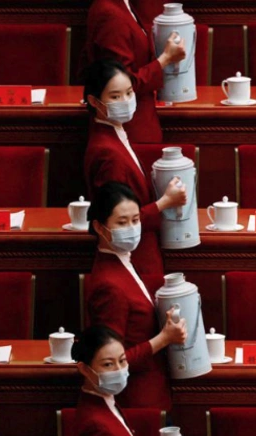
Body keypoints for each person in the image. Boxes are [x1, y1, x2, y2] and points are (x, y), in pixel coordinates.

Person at [85, 181, 186, 410]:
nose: (131, 228)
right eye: (122, 222)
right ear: (100, 227)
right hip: (137, 399)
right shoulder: (109, 286)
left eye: (136, 220)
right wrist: (164, 338)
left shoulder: (123, 262)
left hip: (152, 389)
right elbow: (110, 363)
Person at [83, 59, 186, 276]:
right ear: (95, 101)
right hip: (137, 257)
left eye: (129, 93)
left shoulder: (114, 135)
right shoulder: (109, 155)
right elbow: (118, 216)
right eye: (115, 96)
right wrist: (165, 202)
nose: (126, 100)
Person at [84, 0, 186, 143]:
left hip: (138, 124)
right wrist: (165, 59)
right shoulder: (110, 14)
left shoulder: (121, 5)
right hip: (131, 129)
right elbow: (120, 84)